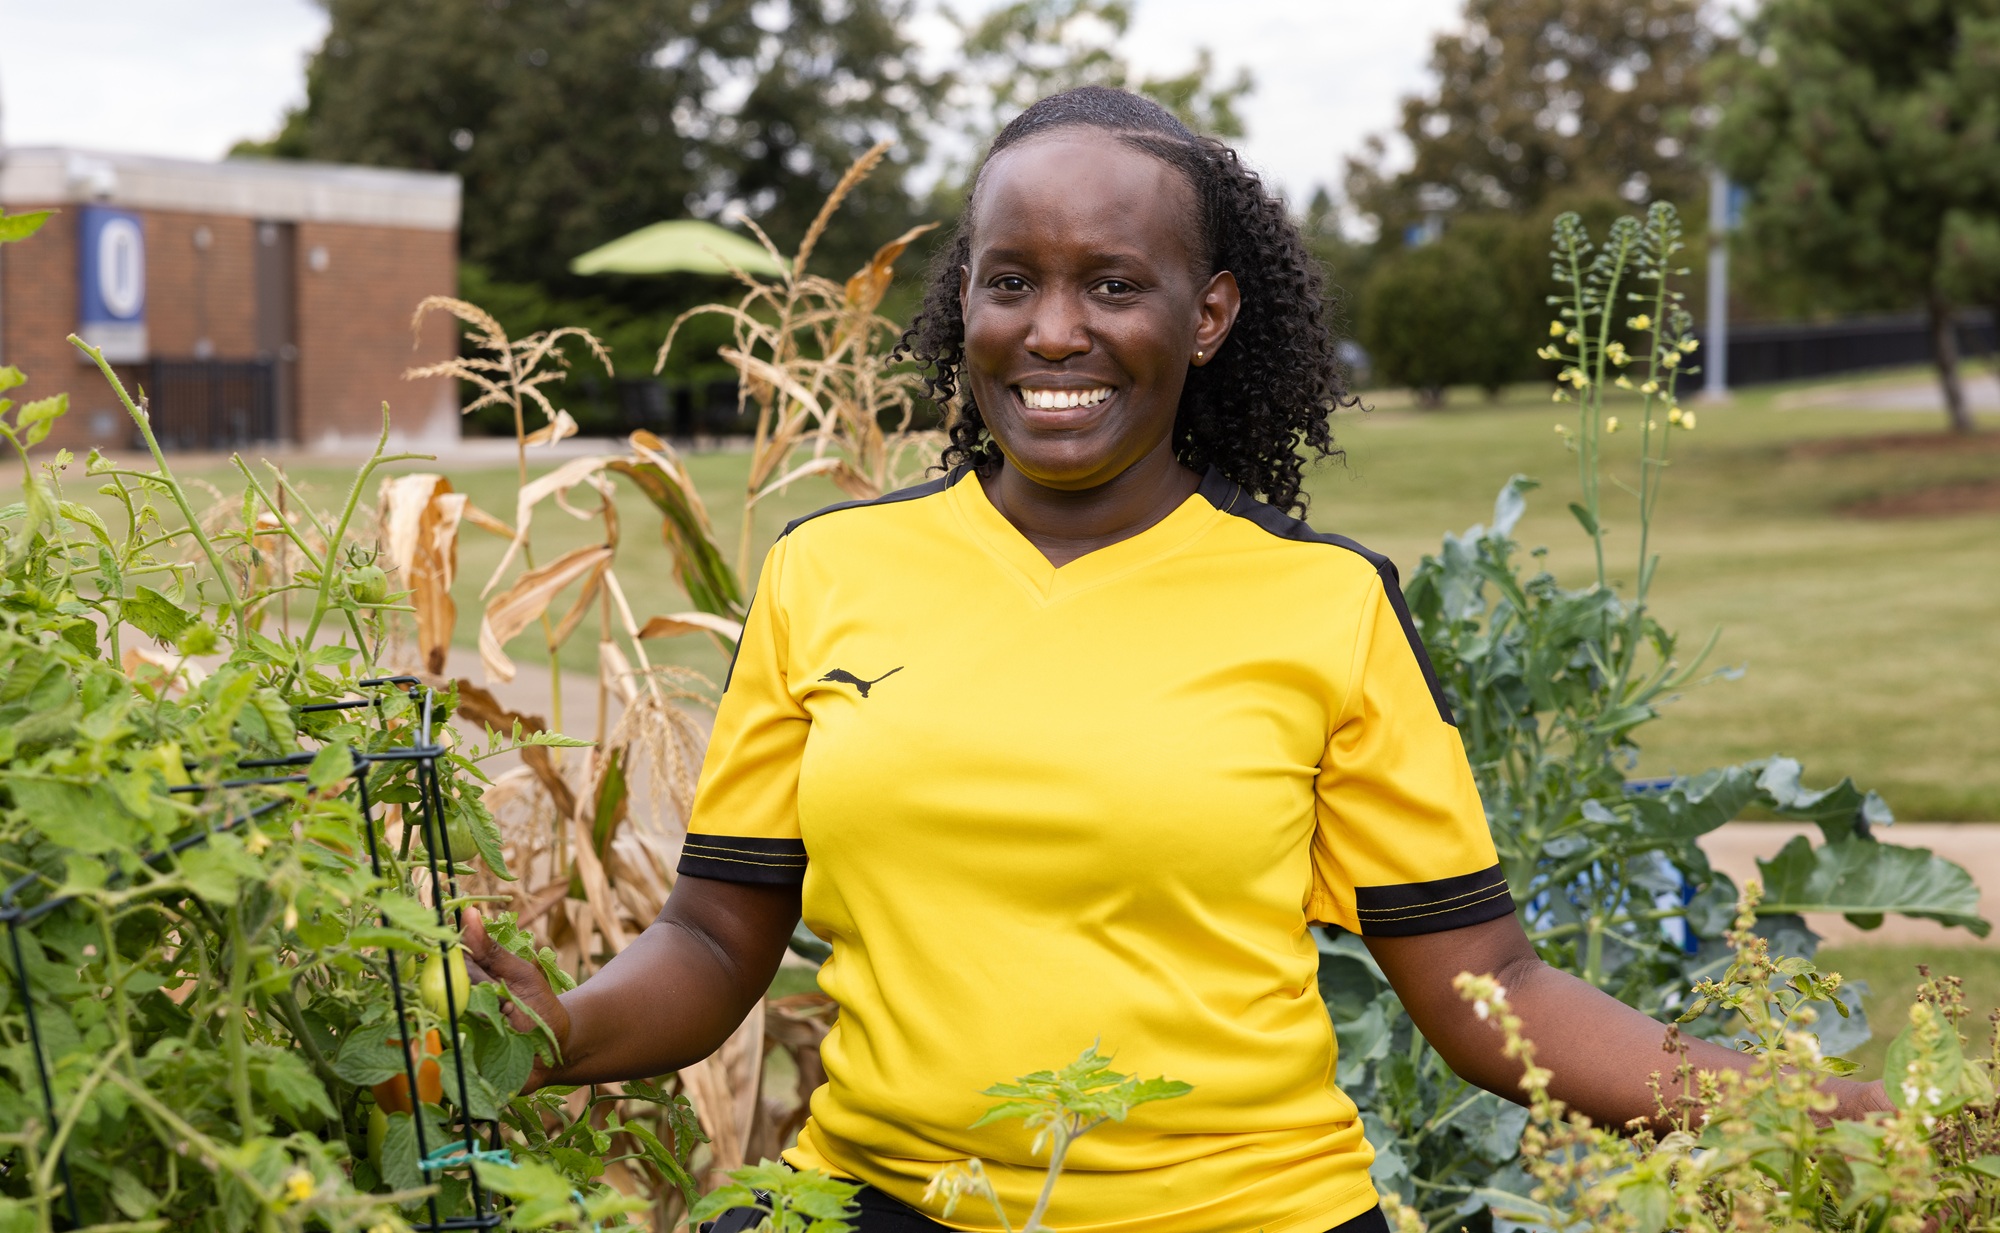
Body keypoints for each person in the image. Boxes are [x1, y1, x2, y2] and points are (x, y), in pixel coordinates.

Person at [464, 86, 1888, 1233]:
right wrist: (554, 1029)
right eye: (1010, 280)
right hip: (880, 1199)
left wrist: (1830, 1115)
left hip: (1247, 1211)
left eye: (1114, 284)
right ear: (965, 301)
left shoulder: (1322, 606)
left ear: (1207, 316)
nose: (1055, 331)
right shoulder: (830, 575)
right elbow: (718, 940)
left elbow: (1490, 984)